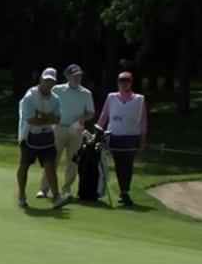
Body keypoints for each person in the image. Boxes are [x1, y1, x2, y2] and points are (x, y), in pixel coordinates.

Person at [37, 64, 95, 198]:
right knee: (52, 159)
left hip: (76, 130)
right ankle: (44, 189)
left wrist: (82, 119)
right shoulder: (57, 89)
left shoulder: (86, 93)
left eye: (79, 76)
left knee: (72, 161)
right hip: (58, 128)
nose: (77, 78)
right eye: (74, 76)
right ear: (68, 76)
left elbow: (91, 112)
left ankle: (66, 189)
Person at [17, 68, 72, 209]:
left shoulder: (55, 99)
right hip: (28, 135)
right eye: (46, 80)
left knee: (50, 166)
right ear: (41, 79)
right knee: (24, 166)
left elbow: (57, 119)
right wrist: (46, 118)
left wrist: (42, 116)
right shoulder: (30, 96)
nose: (48, 83)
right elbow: (31, 120)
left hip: (47, 136)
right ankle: (22, 195)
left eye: (51, 81)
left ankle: (56, 196)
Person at [98, 71, 148, 206]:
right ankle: (123, 191)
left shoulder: (139, 99)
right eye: (121, 81)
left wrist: (143, 138)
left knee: (128, 165)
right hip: (116, 136)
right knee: (120, 165)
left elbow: (143, 120)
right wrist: (98, 132)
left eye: (126, 81)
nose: (123, 84)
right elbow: (104, 116)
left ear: (131, 83)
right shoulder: (111, 97)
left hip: (132, 136)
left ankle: (125, 190)